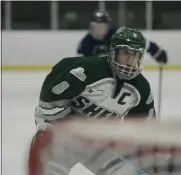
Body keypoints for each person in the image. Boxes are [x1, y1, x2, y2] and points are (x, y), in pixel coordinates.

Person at [28, 27, 156, 175]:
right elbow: (50, 101)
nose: (130, 60)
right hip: (61, 133)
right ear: (114, 52)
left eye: (135, 55)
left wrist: (148, 164)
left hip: (96, 140)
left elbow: (144, 130)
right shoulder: (88, 70)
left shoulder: (141, 88)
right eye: (125, 53)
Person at [77, 10, 168, 64]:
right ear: (91, 27)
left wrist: (156, 51)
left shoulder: (117, 34)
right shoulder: (85, 43)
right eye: (96, 26)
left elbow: (137, 40)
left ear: (107, 26)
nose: (99, 30)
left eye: (102, 26)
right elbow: (80, 64)